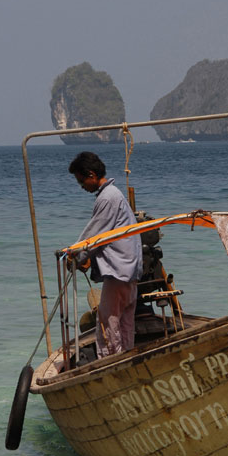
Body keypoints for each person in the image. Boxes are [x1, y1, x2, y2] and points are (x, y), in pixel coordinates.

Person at [68, 152, 142, 358]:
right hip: (129, 268)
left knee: (107, 323)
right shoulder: (114, 195)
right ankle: (126, 357)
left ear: (91, 175)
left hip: (120, 269)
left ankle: (110, 362)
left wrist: (74, 255)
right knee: (125, 320)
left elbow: (94, 234)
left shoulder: (108, 197)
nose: (82, 186)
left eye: (81, 181)